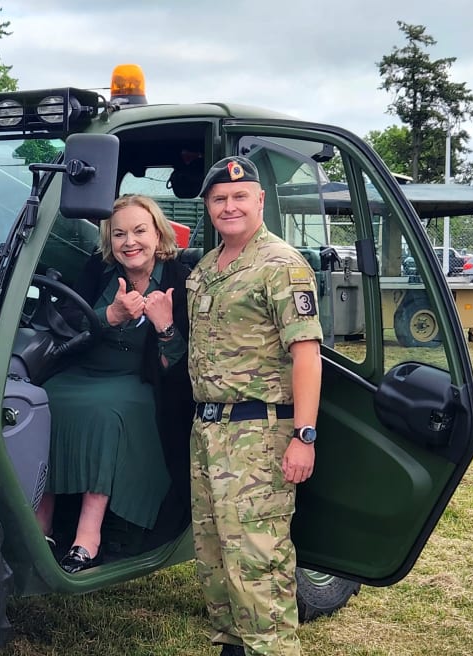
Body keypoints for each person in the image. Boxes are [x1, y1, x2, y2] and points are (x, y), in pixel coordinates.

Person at [186, 156, 322, 656]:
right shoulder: (206, 268)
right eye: (219, 199)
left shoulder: (281, 266)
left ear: (260, 201)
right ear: (208, 206)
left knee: (259, 560)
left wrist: (303, 437)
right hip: (208, 430)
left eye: (240, 197)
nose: (229, 206)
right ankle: (232, 645)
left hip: (259, 433)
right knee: (215, 556)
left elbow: (306, 355)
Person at [35, 194, 194, 574]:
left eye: (140, 231)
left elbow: (177, 366)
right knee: (42, 401)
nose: (130, 242)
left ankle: (87, 538)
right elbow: (69, 319)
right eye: (119, 233)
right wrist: (111, 313)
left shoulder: (180, 279)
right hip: (85, 371)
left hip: (135, 379)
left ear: (158, 235)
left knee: (106, 413)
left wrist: (165, 326)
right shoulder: (99, 270)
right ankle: (40, 524)